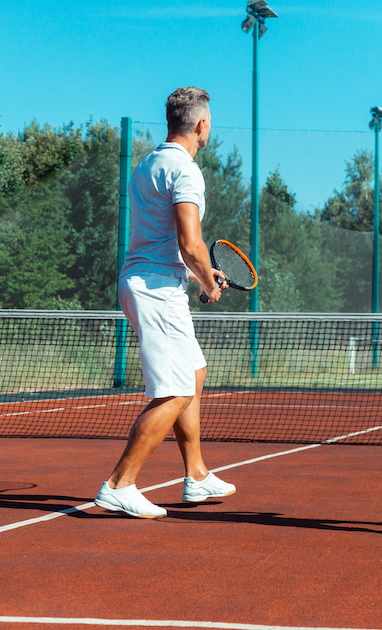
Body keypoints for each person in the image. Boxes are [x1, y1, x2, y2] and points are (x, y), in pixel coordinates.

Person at [94, 87, 236, 519]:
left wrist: (199, 273)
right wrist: (208, 281)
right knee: (173, 391)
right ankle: (119, 484)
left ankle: (195, 475)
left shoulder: (146, 164)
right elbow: (189, 241)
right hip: (156, 288)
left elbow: (174, 243)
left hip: (152, 282)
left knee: (193, 372)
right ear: (201, 125)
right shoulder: (186, 171)